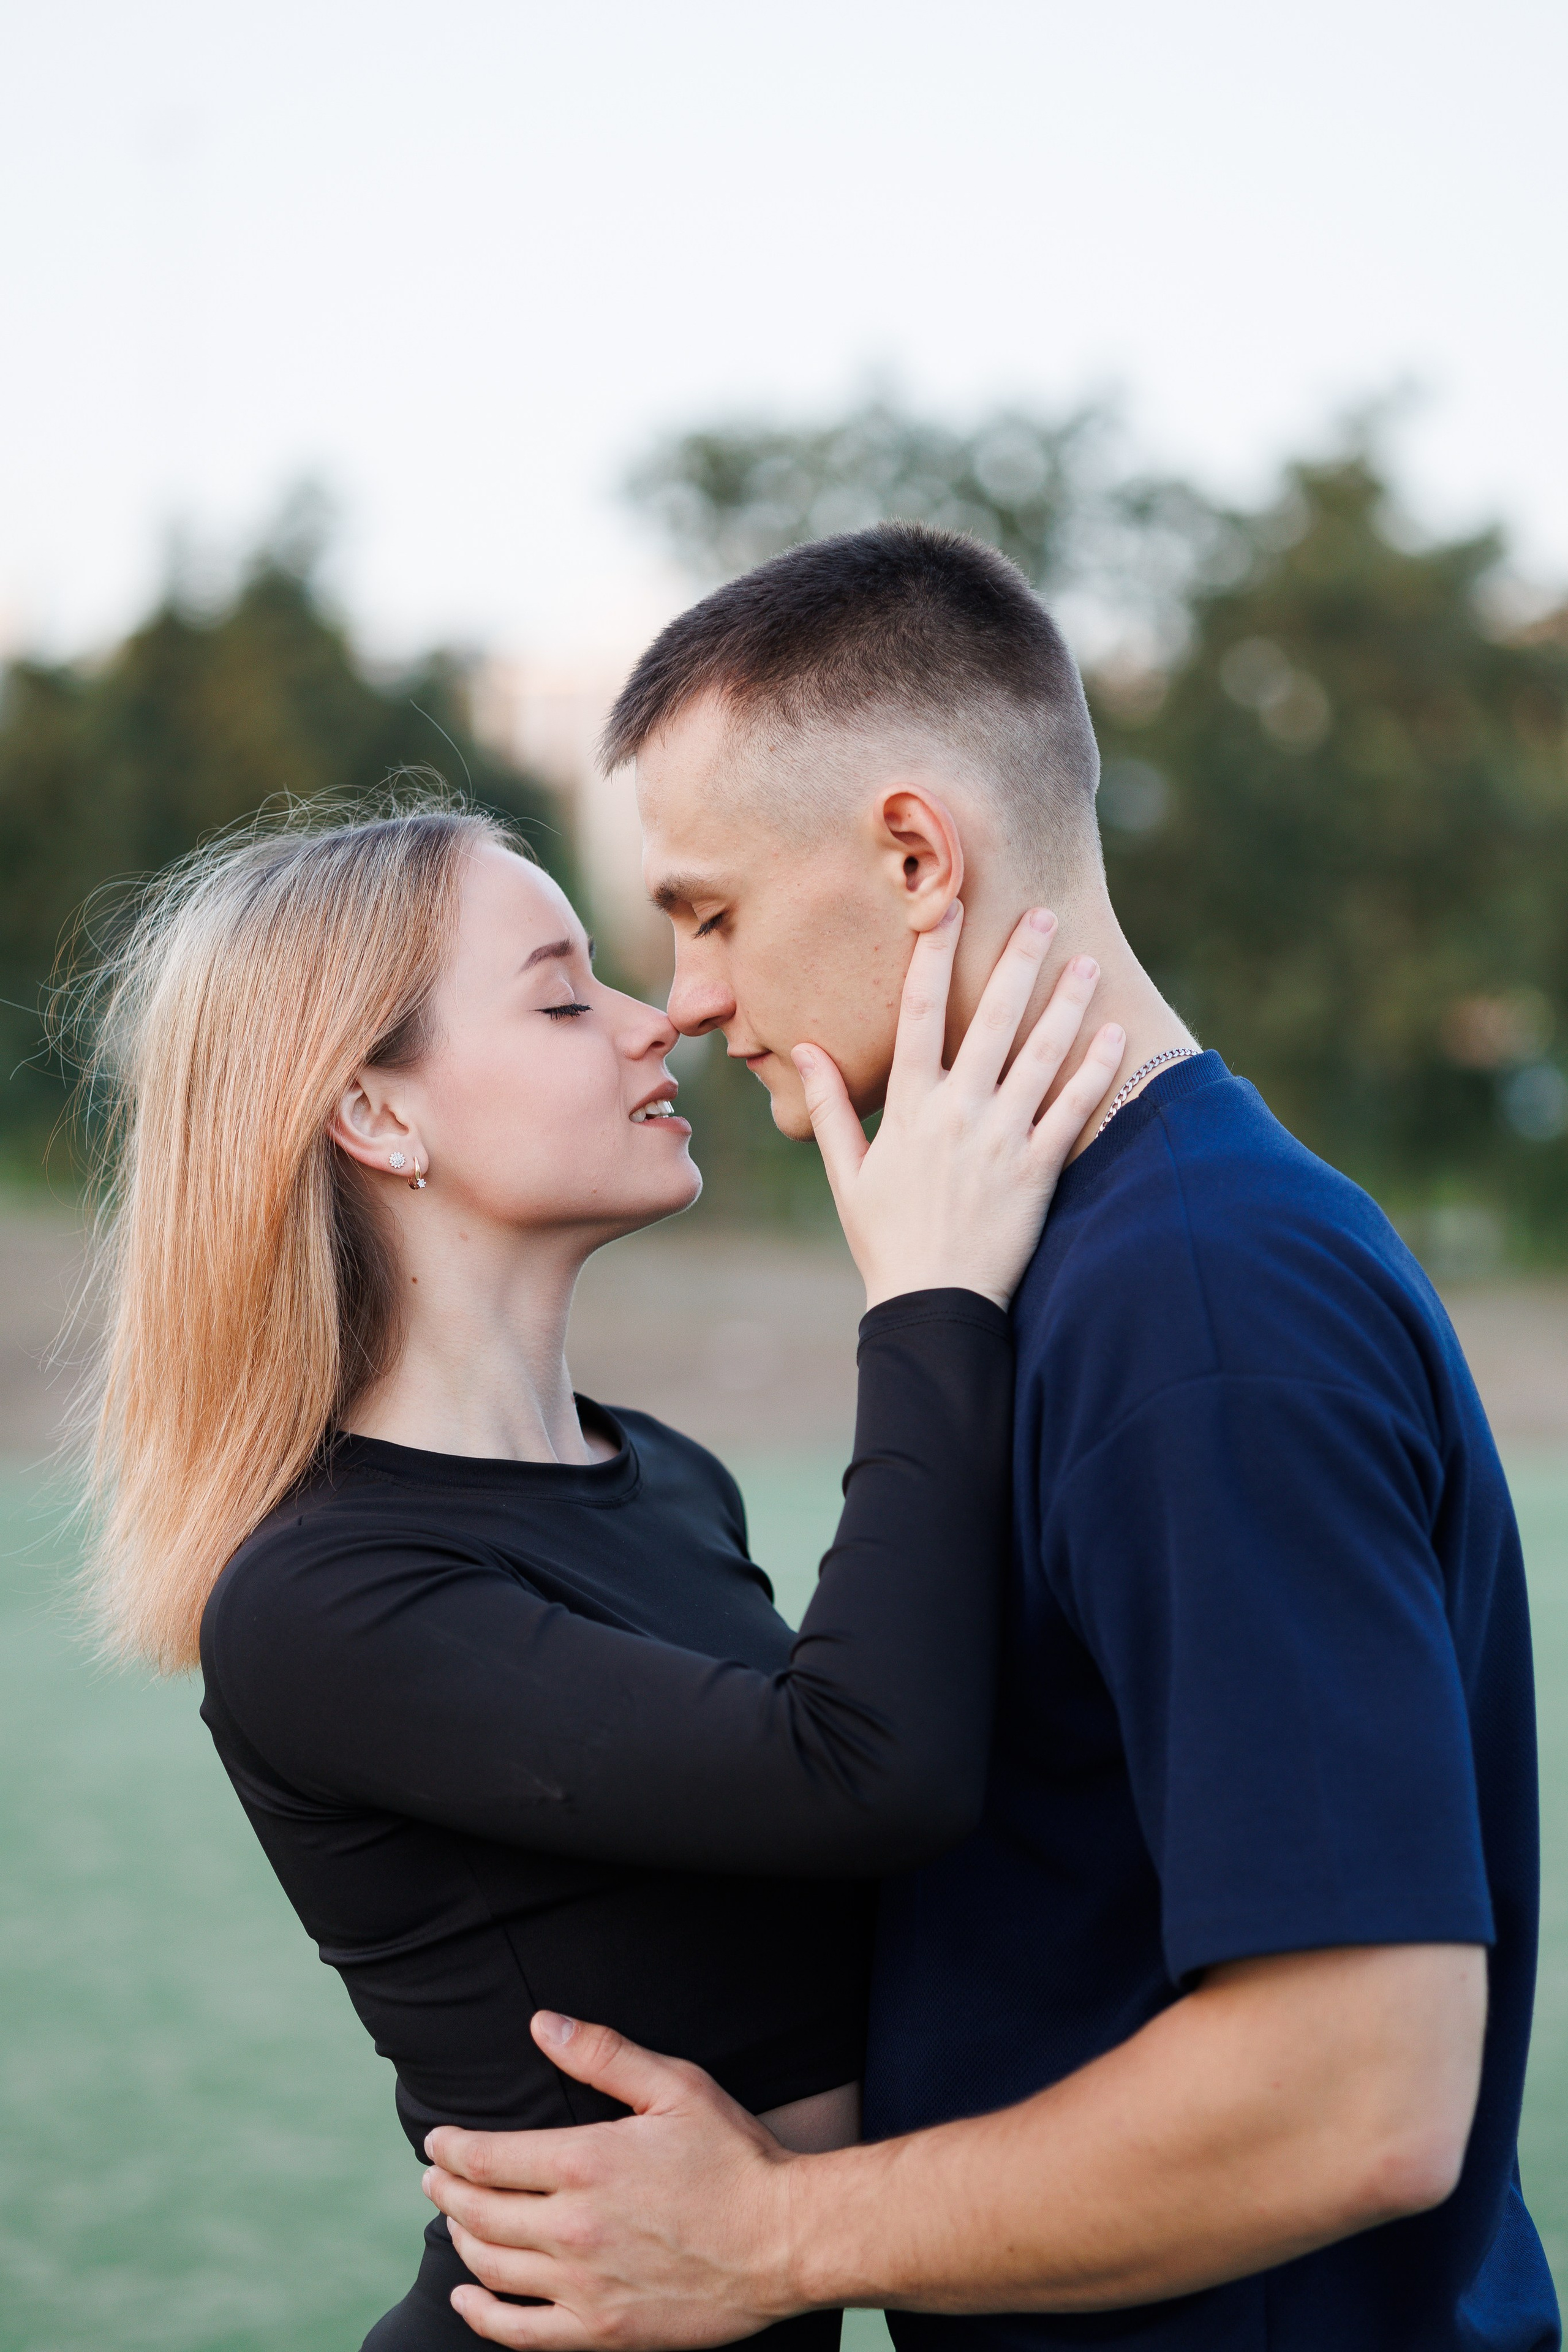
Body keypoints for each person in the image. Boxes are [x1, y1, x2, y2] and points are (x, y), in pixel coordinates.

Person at [422, 524, 1560, 2352]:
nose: (693, 1001)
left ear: (912, 855)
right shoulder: (1085, 1261)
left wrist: (778, 2237)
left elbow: (1361, 2091)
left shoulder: (1200, 1304)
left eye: (710, 911)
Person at [71, 795, 1124, 2351]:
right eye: (566, 997)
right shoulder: (317, 1602)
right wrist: (926, 1298)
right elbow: (865, 1773)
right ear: (374, 1115)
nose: (660, 1025)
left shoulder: (661, 1477)